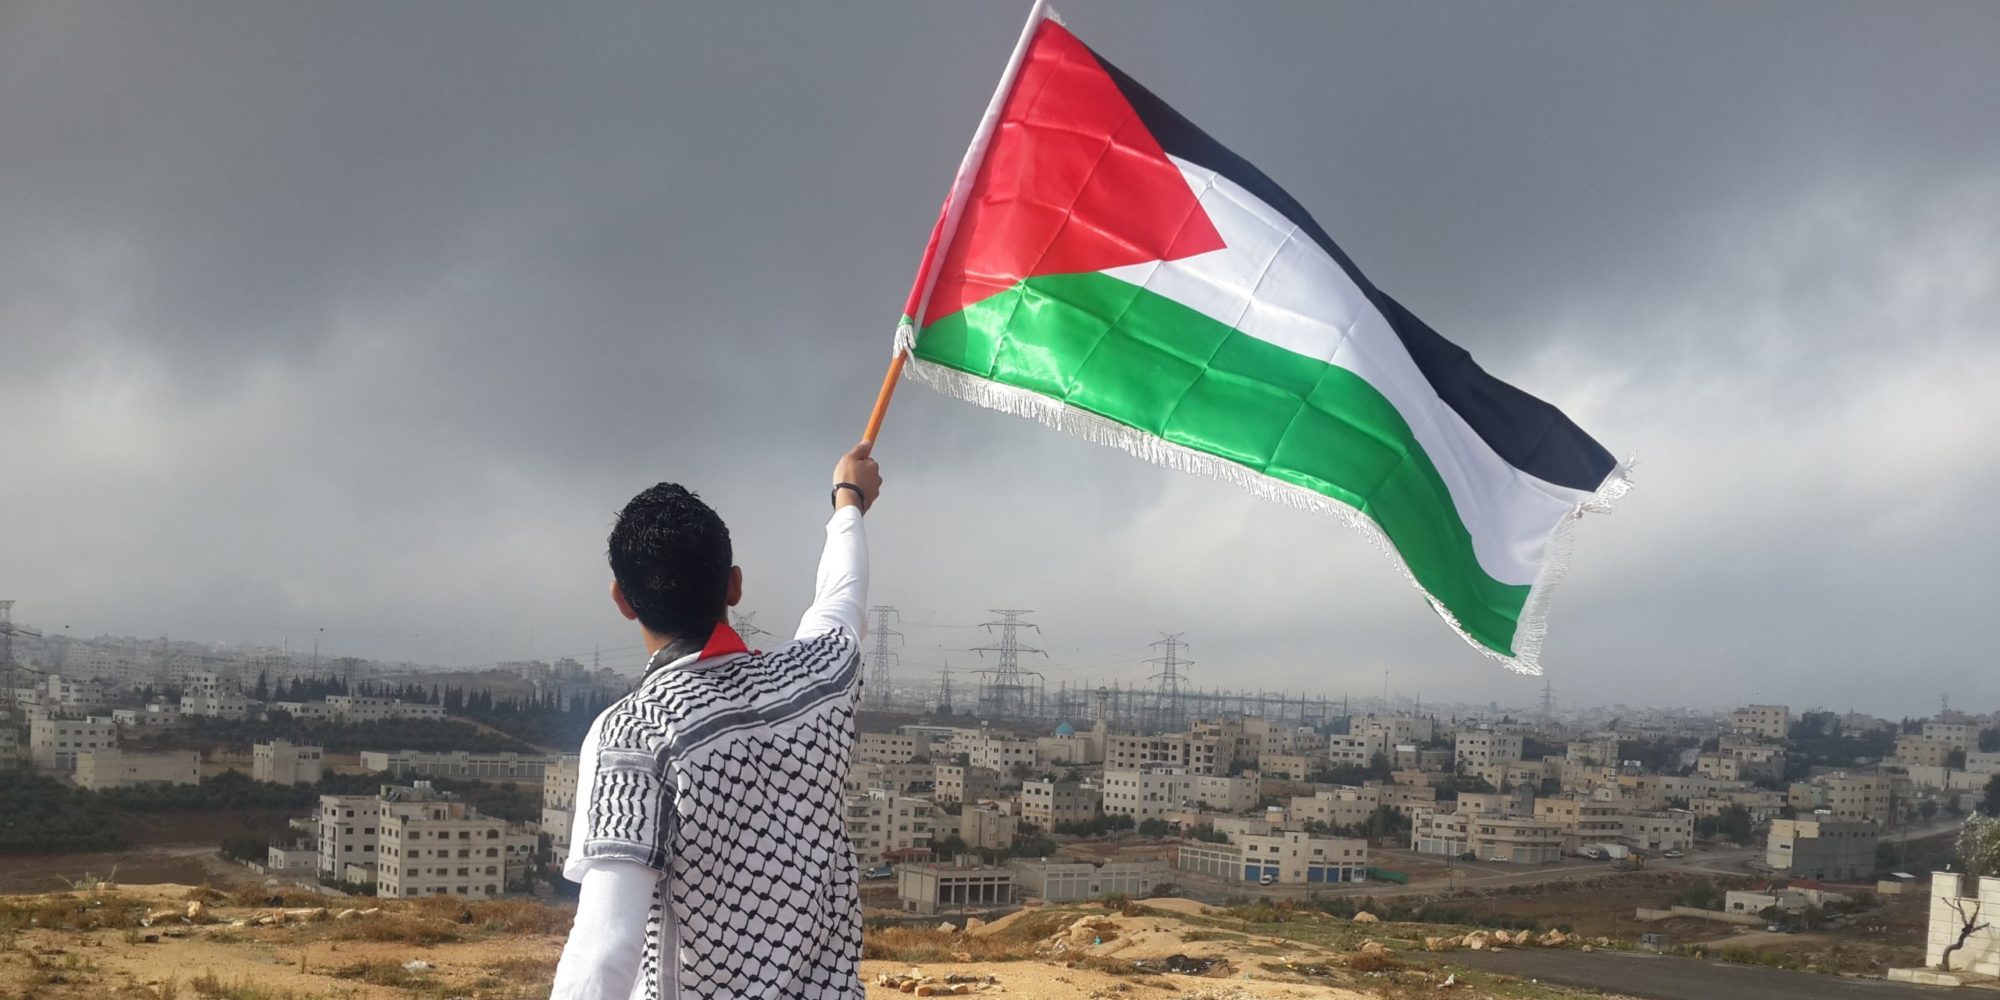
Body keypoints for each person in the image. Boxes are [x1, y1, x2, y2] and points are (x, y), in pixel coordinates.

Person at [550, 441, 882, 1000]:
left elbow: (605, 949)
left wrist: (849, 505)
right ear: (734, 584)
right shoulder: (819, 681)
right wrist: (847, 502)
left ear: (622, 601)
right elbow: (842, 599)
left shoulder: (638, 731)